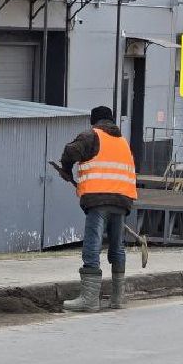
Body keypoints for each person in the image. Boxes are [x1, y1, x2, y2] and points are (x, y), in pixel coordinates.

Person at [54, 105, 138, 312]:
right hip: (122, 200)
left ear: (94, 121)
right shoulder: (122, 142)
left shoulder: (92, 135)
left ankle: (89, 299)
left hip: (99, 199)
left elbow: (70, 151)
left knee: (92, 244)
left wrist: (66, 169)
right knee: (117, 247)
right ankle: (118, 298)